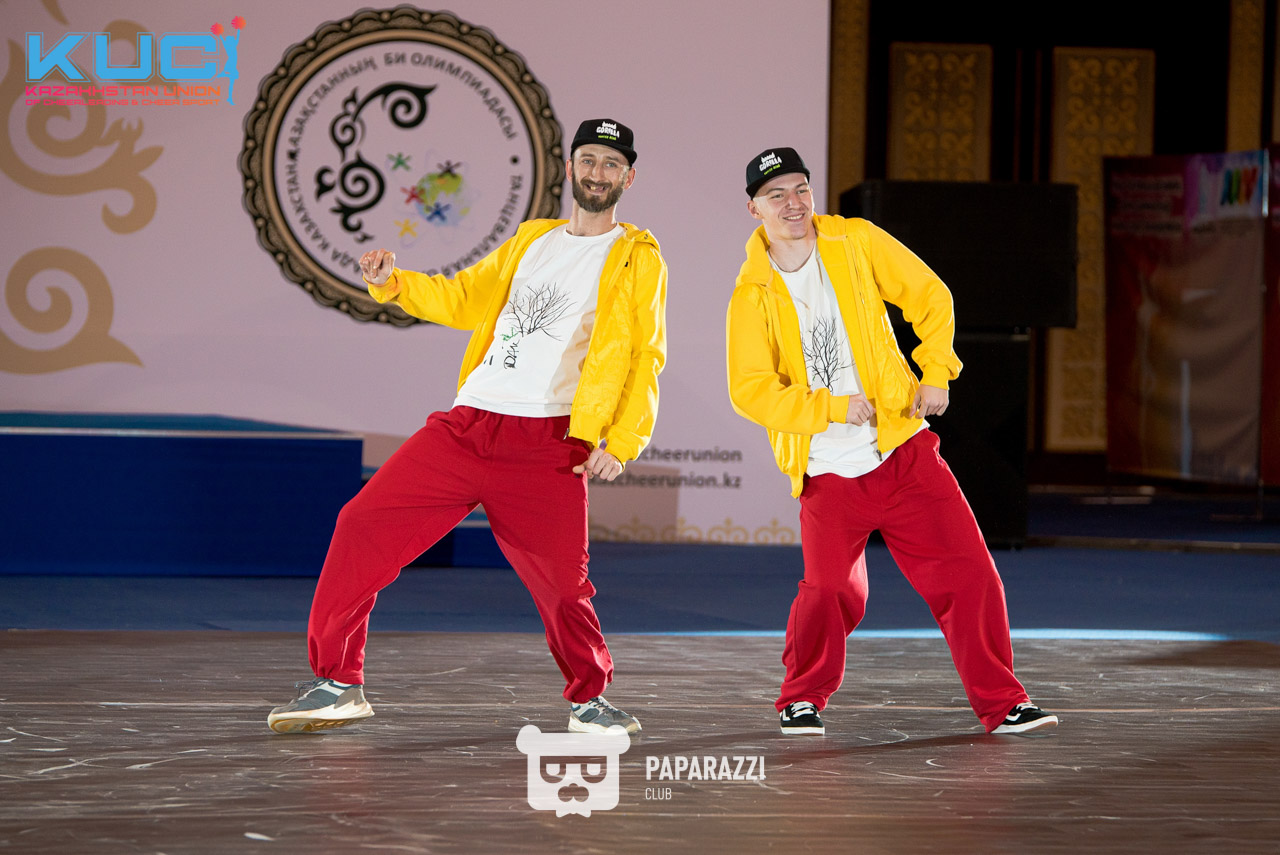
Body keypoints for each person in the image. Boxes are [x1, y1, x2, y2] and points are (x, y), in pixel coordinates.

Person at [268, 119, 666, 735]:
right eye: (588, 159)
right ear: (570, 167)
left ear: (629, 178)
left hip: (549, 441)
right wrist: (392, 284)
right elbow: (462, 299)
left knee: (564, 586)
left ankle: (590, 699)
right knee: (360, 525)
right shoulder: (533, 240)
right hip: (468, 425)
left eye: (611, 164)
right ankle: (338, 683)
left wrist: (626, 439)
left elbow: (645, 353)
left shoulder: (638, 257)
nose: (598, 173)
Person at [725, 147, 1056, 737]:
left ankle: (1004, 701)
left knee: (971, 576)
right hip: (827, 468)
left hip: (902, 450)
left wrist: (936, 370)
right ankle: (801, 697)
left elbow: (930, 295)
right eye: (776, 195)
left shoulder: (855, 240)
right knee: (831, 591)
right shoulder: (752, 293)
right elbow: (750, 390)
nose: (793, 203)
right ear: (754, 208)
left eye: (801, 189)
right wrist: (829, 408)